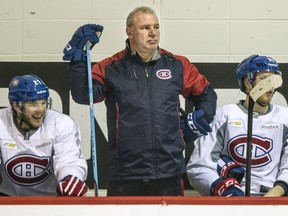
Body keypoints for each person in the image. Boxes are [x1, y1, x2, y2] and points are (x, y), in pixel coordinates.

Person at [63, 6, 217, 196]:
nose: (153, 33)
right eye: (145, 28)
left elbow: (207, 94)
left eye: (156, 27)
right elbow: (84, 95)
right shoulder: (111, 68)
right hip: (125, 175)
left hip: (169, 172)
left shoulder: (177, 64)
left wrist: (199, 119)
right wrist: (79, 60)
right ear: (130, 31)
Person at [186, 54, 288, 197]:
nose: (270, 86)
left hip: (274, 200)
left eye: (273, 79)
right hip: (231, 201)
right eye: (264, 79)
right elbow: (198, 166)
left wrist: (277, 191)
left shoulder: (284, 118)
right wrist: (227, 192)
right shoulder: (225, 116)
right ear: (247, 82)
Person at [0, 74, 89, 196]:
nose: (41, 110)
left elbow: (69, 161)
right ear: (16, 106)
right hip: (8, 200)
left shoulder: (61, 123)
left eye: (43, 102)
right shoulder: (1, 121)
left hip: (50, 201)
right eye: (33, 104)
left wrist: (71, 176)